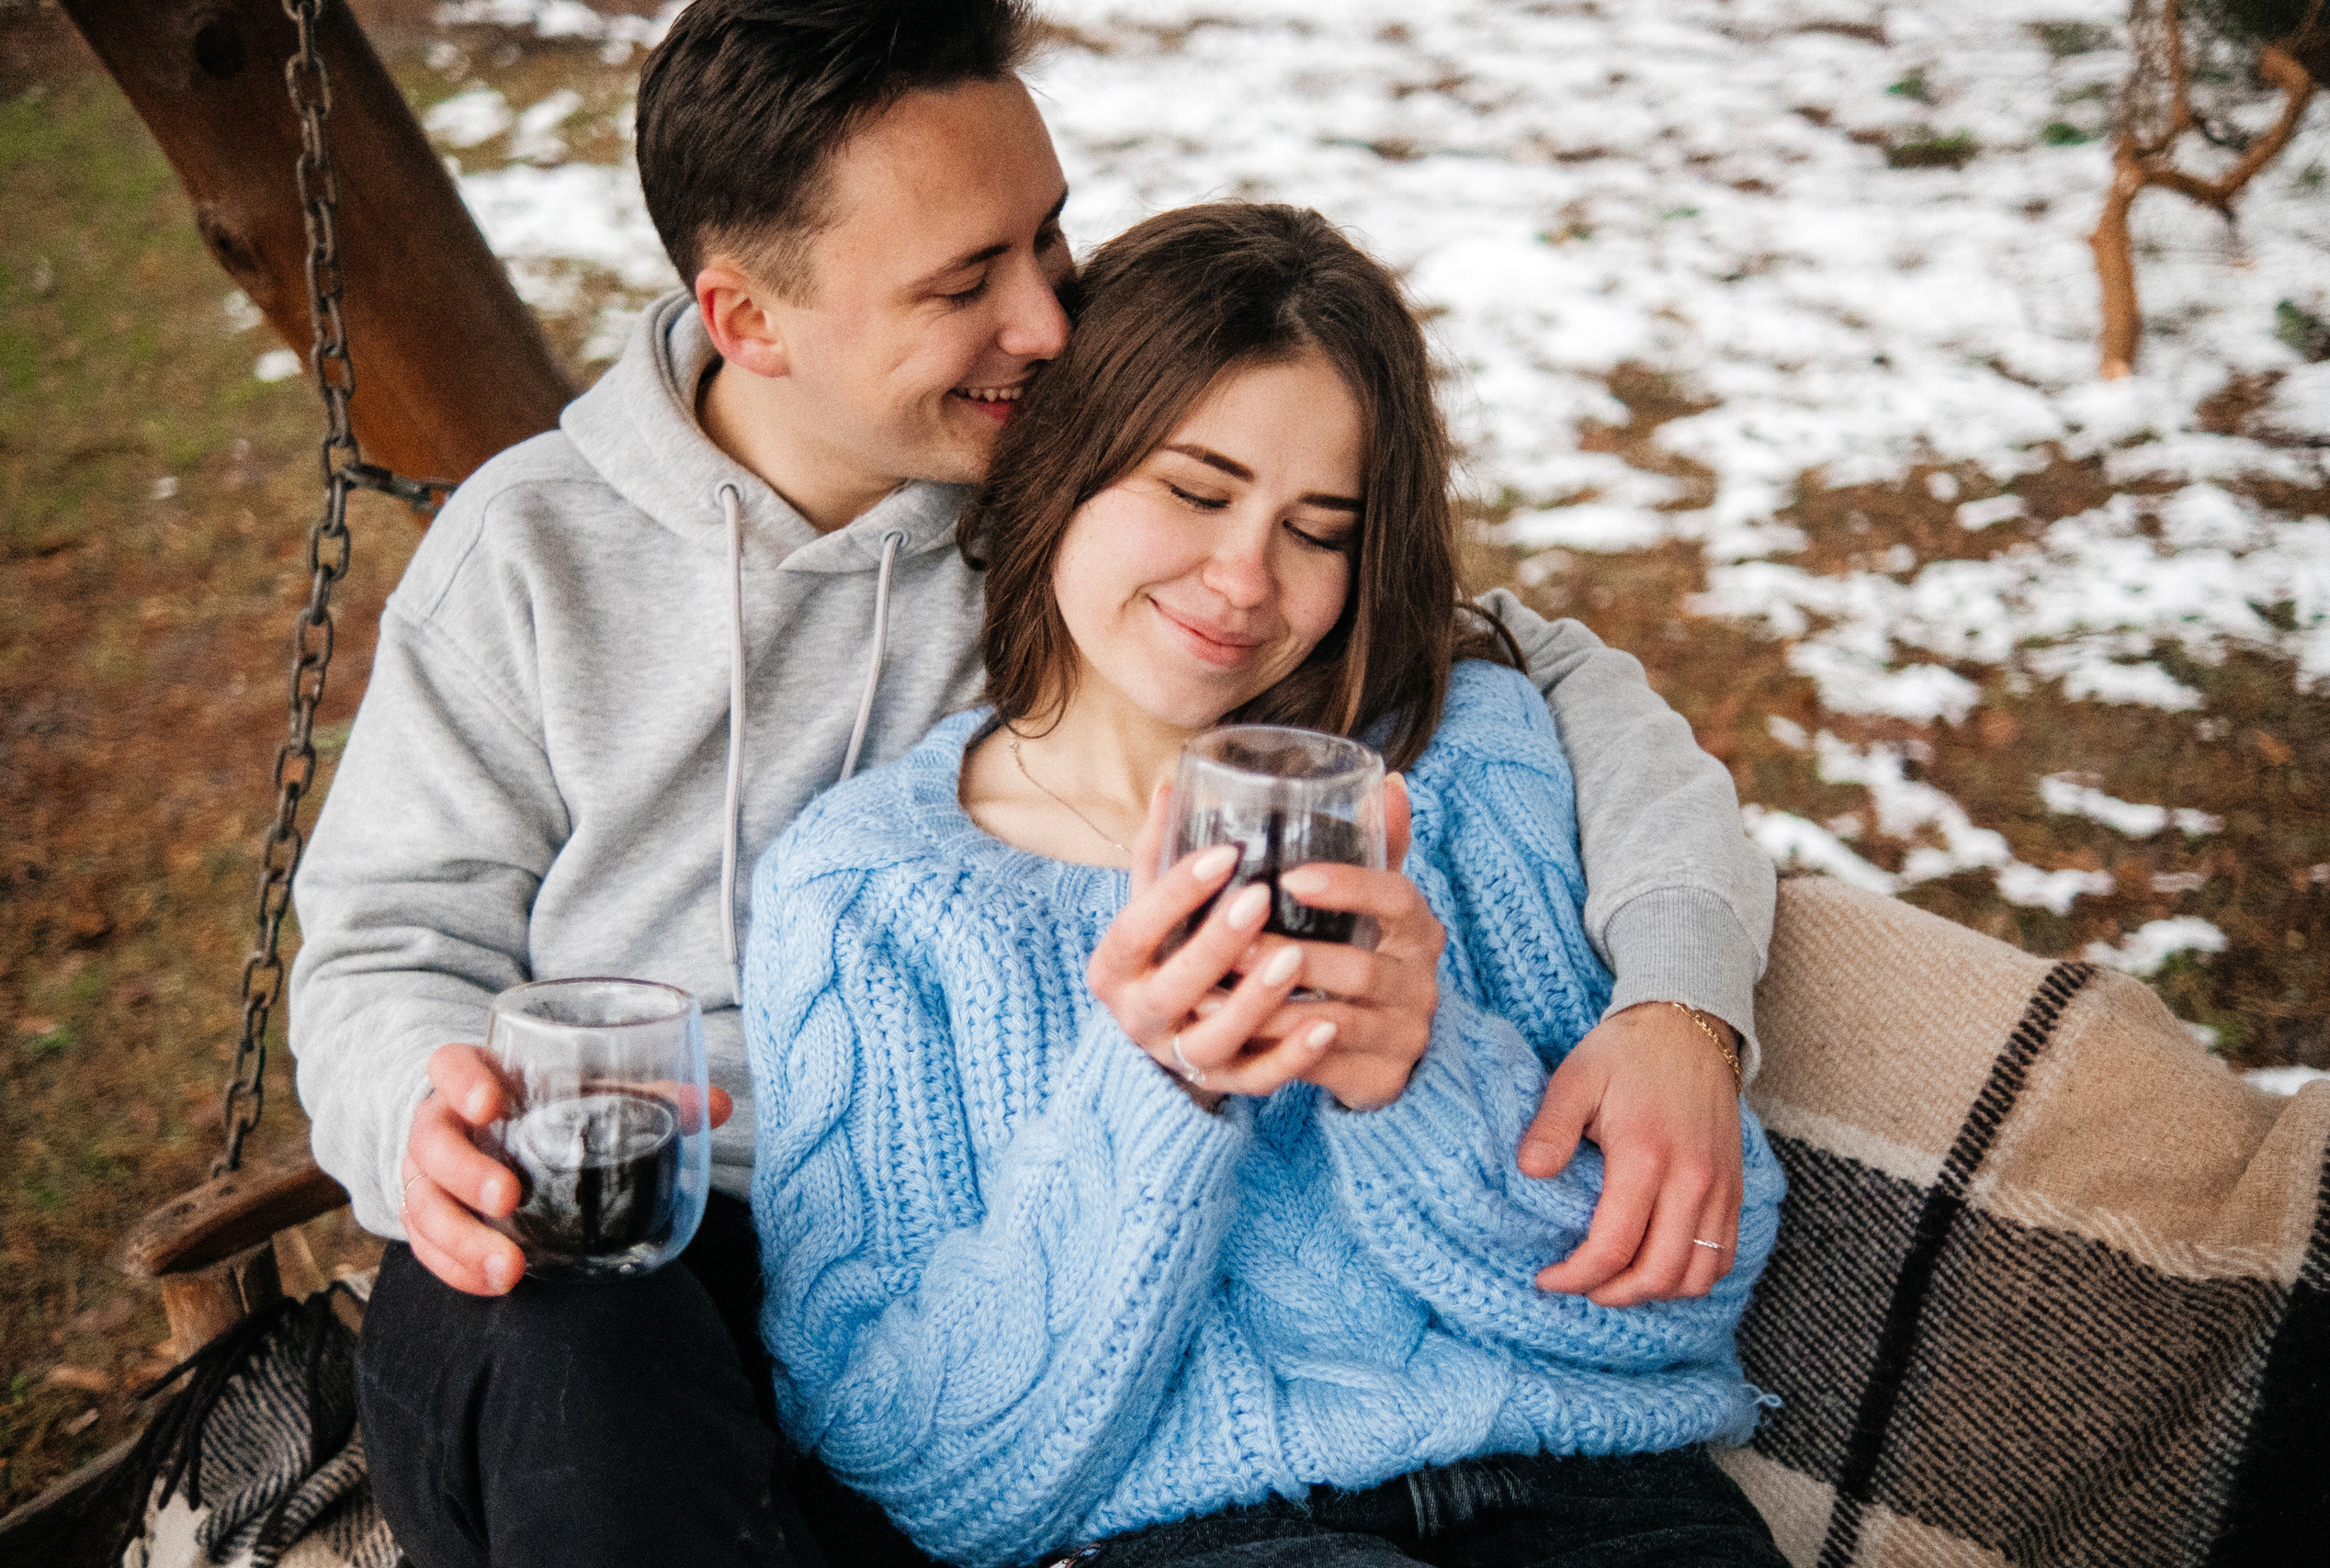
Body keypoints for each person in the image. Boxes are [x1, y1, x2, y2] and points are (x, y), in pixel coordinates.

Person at [288, 2, 1774, 1563]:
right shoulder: (531, 560)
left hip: (975, 1225)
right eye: (963, 283)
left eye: (1047, 238)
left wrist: (1678, 996)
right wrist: (427, 1119)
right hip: (665, 1204)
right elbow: (390, 944)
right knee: (574, 1349)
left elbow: (1521, 670)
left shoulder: (1070, 491)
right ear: (751, 319)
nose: (1051, 324)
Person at [743, 202, 1789, 1568]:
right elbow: (912, 1462)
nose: (1246, 579)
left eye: (1321, 526)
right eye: (1195, 490)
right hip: (1197, 1540)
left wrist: (1419, 1081)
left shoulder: (1464, 771)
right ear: (1061, 466)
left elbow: (1678, 1305)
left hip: (1605, 1505)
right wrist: (1152, 1094)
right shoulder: (867, 896)